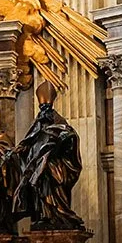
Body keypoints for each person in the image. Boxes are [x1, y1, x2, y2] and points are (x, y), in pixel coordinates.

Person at [11, 83, 84, 230]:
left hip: (55, 166)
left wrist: (55, 144)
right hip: (39, 167)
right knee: (38, 190)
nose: (43, 112)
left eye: (46, 109)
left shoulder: (60, 124)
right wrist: (21, 149)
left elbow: (70, 138)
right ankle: (43, 216)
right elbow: (29, 142)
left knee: (54, 191)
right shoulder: (38, 125)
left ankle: (58, 215)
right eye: (41, 109)